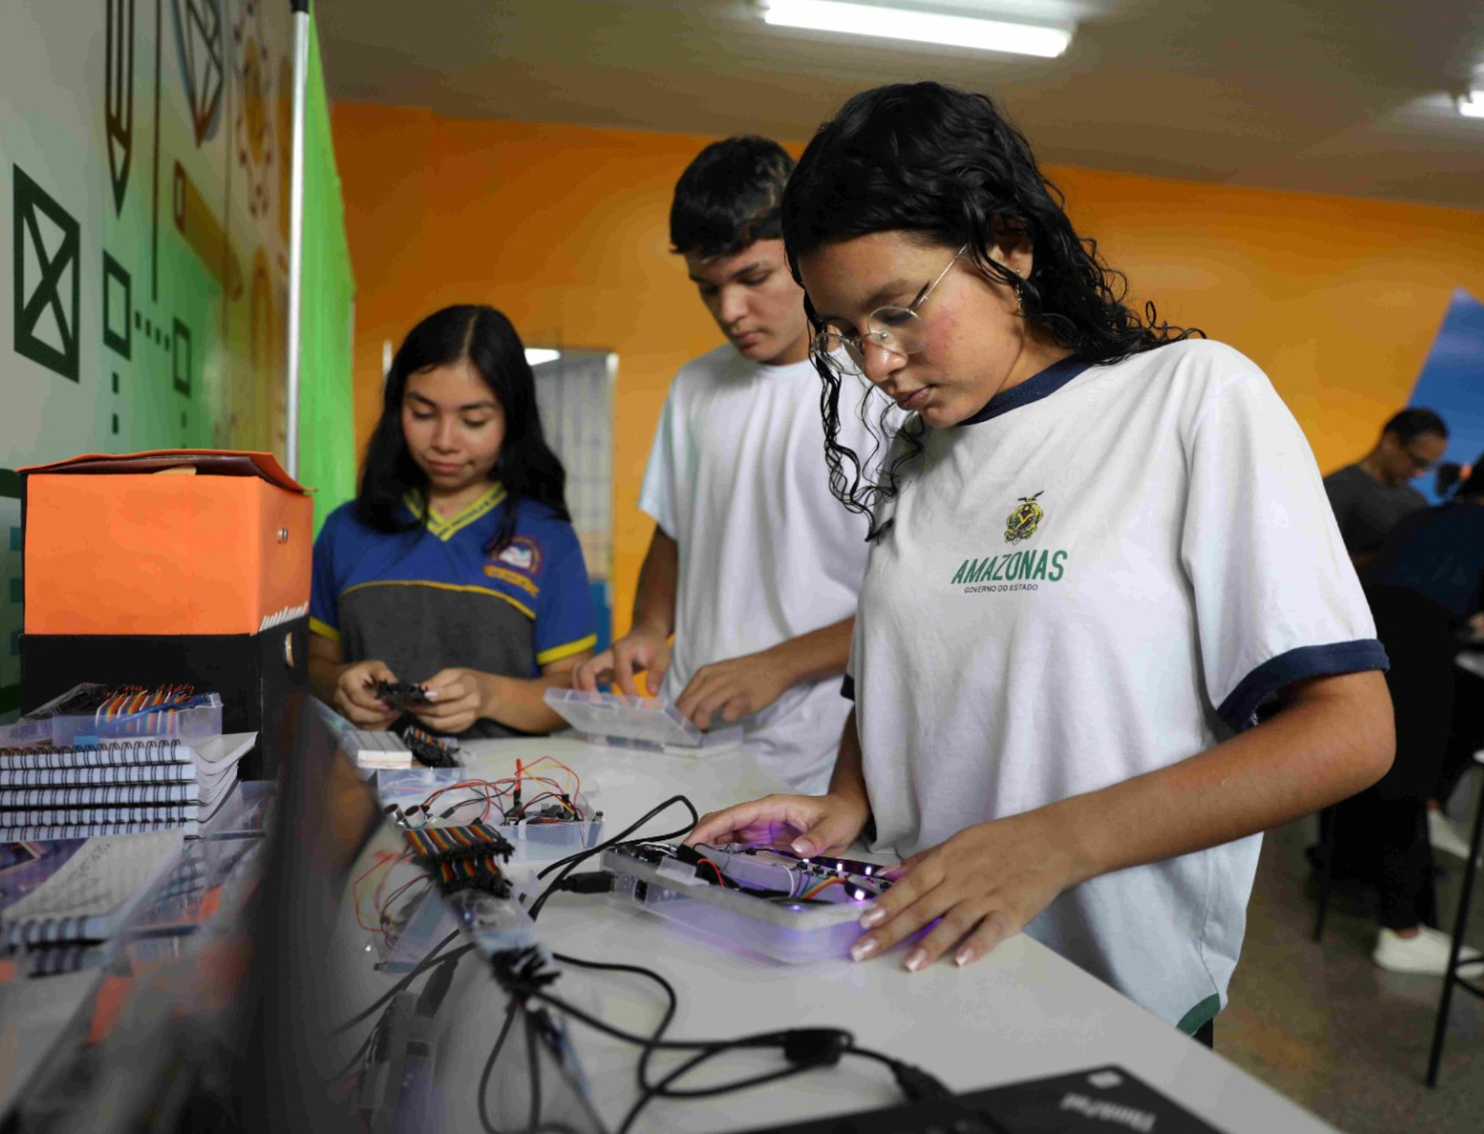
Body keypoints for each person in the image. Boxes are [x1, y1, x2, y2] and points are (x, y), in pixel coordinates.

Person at [689, 83, 1395, 1041]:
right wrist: (845, 805)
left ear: (1008, 246)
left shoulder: (1191, 402)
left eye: (897, 311)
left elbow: (1350, 732)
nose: (877, 362)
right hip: (921, 962)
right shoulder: (916, 456)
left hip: (1116, 1001)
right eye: (847, 330)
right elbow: (898, 683)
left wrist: (1057, 845)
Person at [572, 137, 880, 793]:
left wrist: (777, 665)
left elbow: (919, 598)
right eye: (707, 288)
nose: (729, 312)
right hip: (693, 734)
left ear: (805, 251)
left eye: (752, 279)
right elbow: (676, 530)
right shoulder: (694, 386)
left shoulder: (884, 389)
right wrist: (651, 629)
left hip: (825, 755)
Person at [308, 305, 597, 739]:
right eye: (422, 413)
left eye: (473, 420)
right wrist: (340, 685)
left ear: (512, 420)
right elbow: (312, 663)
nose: (443, 441)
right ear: (395, 407)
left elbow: (573, 692)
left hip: (503, 791)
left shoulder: (547, 537)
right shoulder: (346, 529)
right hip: (363, 784)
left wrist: (489, 694)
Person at [1333, 458, 1484, 972]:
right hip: (1420, 650)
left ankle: (1348, 873)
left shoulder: (1425, 518)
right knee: (1408, 785)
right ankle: (1403, 929)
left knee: (1369, 767)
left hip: (1360, 639)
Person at [1323, 408, 1448, 570]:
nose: (1420, 473)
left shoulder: (1417, 501)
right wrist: (1387, 560)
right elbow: (1319, 564)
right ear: (1391, 441)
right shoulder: (1339, 488)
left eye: (1428, 466)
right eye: (1417, 461)